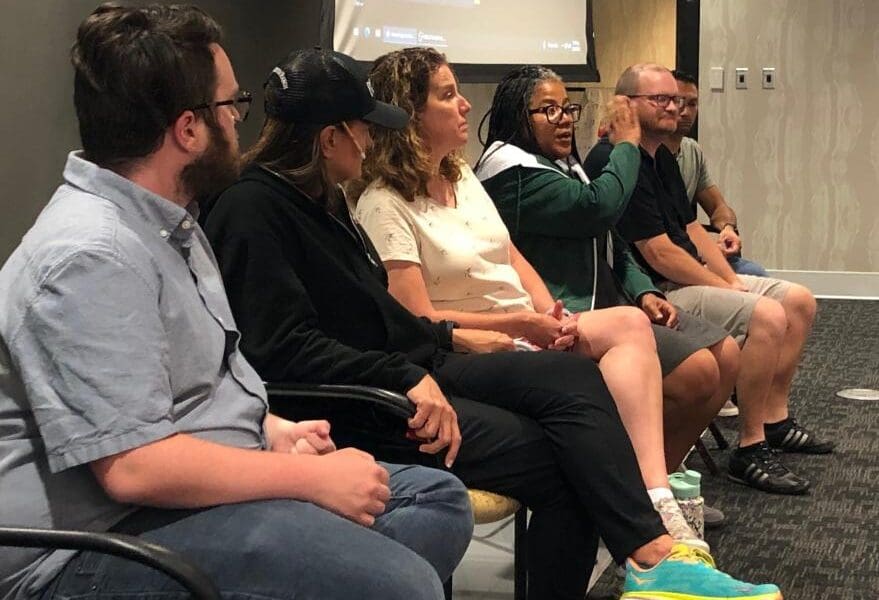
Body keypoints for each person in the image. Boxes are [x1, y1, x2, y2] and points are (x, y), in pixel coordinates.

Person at [204, 46, 782, 600]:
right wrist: (409, 372)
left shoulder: (321, 202)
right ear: (329, 139)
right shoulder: (256, 210)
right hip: (368, 400)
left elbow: (381, 317)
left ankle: (651, 556)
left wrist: (459, 337)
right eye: (363, 127)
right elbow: (281, 349)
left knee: (575, 382)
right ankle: (653, 556)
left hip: (410, 367)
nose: (373, 138)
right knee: (566, 459)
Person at [0, 6, 475, 600]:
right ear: (189, 129)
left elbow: (196, 386)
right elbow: (134, 467)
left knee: (433, 499)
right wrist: (306, 478)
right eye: (232, 106)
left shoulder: (172, 220)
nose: (240, 123)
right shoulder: (89, 255)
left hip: (174, 496)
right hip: (87, 544)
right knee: (401, 582)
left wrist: (272, 429)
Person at [353, 55, 734, 547]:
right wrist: (522, 323)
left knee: (628, 326)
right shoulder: (385, 202)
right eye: (448, 95)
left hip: (524, 324)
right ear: (408, 113)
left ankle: (653, 494)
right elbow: (415, 318)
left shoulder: (461, 174)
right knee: (605, 376)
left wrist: (550, 311)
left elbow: (508, 252)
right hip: (471, 344)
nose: (467, 103)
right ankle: (645, 521)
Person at [470, 64, 739, 525]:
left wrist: (643, 291)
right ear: (518, 116)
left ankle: (646, 489)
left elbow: (610, 240)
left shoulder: (560, 162)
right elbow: (598, 210)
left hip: (614, 300)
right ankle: (633, 501)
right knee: (696, 374)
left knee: (727, 355)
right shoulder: (511, 173)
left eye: (567, 107)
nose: (563, 119)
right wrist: (627, 145)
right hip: (566, 314)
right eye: (547, 109)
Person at [584, 62, 834, 495]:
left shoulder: (661, 153)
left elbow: (694, 231)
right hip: (654, 289)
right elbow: (657, 252)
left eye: (676, 100)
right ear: (627, 104)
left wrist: (731, 282)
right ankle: (750, 447)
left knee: (800, 301)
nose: (674, 108)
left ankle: (775, 420)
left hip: (686, 278)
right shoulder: (613, 157)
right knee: (767, 316)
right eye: (660, 100)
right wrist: (730, 291)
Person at [669, 70, 768, 278]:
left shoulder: (692, 151)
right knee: (752, 276)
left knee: (755, 273)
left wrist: (727, 230)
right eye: (678, 102)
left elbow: (718, 207)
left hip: (694, 249)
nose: (685, 112)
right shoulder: (647, 155)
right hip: (671, 257)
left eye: (693, 104)